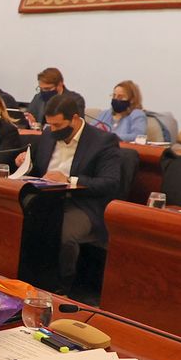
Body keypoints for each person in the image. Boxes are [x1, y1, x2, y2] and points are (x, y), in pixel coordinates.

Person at [26, 94, 123, 292]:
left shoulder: (103, 141)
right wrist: (25, 161)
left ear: (75, 119)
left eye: (58, 125)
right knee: (17, 219)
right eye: (50, 125)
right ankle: (28, 279)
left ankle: (62, 288)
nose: (53, 130)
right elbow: (40, 169)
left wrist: (70, 180)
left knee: (64, 234)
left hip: (81, 203)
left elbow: (110, 183)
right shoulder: (49, 134)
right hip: (46, 199)